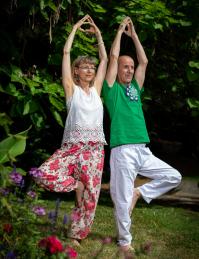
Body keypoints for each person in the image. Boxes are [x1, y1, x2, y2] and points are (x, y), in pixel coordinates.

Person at [102, 17, 182, 253]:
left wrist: (134, 35)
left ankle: (141, 192)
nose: (128, 69)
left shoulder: (135, 88)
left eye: (130, 67)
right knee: (121, 199)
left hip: (142, 150)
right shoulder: (112, 91)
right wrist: (119, 32)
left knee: (174, 177)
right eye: (124, 67)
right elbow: (113, 57)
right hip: (123, 150)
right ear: (117, 70)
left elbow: (144, 61)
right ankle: (124, 242)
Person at [33, 15, 107, 244]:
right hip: (72, 148)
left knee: (90, 196)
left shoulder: (96, 89)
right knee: (42, 174)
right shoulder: (71, 90)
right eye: (84, 67)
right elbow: (65, 54)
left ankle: (76, 234)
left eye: (91, 67)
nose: (90, 70)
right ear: (75, 71)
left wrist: (98, 34)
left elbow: (104, 59)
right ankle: (76, 184)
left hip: (94, 150)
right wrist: (75, 28)